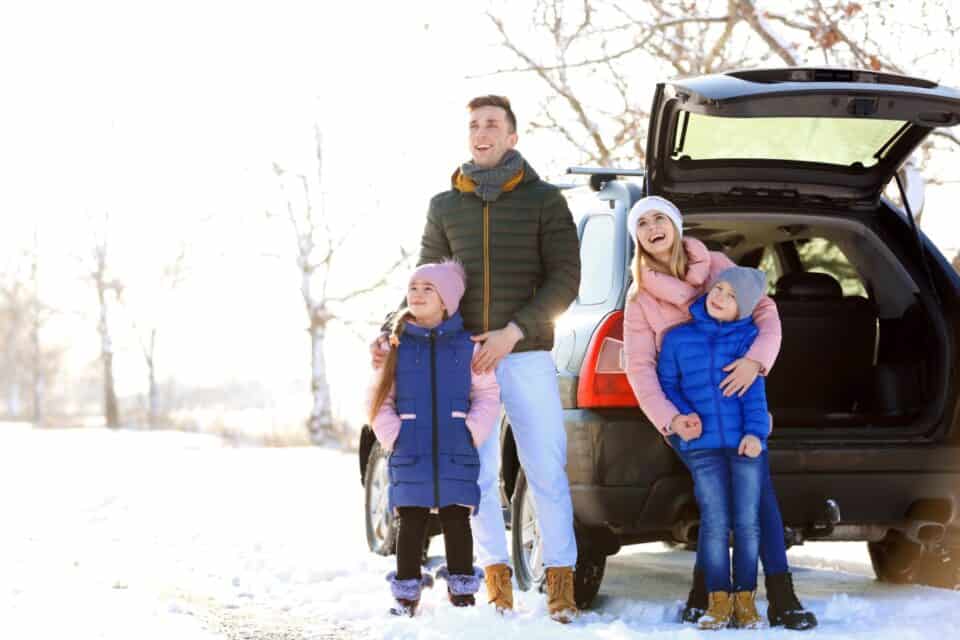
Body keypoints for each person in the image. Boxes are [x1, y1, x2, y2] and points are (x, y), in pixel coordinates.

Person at [371, 95, 581, 622]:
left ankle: (560, 583)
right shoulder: (446, 205)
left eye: (492, 124)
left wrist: (513, 332)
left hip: (525, 352)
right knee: (476, 475)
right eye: (474, 125)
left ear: (512, 136)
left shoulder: (545, 201)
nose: (482, 132)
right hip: (461, 360)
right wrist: (391, 327)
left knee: (545, 467)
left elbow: (565, 280)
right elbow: (425, 280)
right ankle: (495, 583)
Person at [622, 196, 818, 630]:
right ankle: (706, 595)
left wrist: (755, 362)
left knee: (758, 495)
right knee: (716, 505)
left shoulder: (713, 265)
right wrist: (671, 420)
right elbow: (639, 368)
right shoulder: (640, 299)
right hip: (687, 418)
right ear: (637, 237)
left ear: (675, 224)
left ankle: (780, 598)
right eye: (643, 223)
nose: (653, 227)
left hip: (739, 405)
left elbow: (766, 312)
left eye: (660, 218)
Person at [369, 260, 500, 617]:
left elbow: (487, 393)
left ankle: (462, 591)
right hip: (410, 447)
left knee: (457, 517)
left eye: (429, 289)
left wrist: (472, 430)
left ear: (448, 301)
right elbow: (379, 398)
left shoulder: (467, 346)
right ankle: (406, 592)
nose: (418, 294)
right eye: (413, 288)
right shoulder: (395, 347)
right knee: (410, 519)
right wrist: (393, 436)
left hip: (456, 447)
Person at [657, 267, 772, 630]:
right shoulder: (678, 339)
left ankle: (746, 601)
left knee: (748, 523)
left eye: (731, 295)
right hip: (702, 446)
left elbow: (755, 395)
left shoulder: (748, 342)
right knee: (715, 521)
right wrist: (681, 417)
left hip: (745, 446)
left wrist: (756, 434)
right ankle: (717, 600)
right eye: (718, 288)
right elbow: (666, 384)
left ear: (744, 308)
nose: (720, 297)